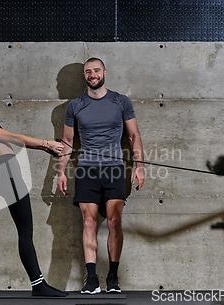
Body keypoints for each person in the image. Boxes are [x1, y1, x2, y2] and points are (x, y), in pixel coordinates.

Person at [0, 78, 67, 297]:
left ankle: (39, 284)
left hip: (9, 173)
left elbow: (8, 142)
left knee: (26, 231)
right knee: (25, 232)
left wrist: (44, 149)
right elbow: (13, 138)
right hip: (7, 174)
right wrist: (46, 143)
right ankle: (38, 285)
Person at [56, 58, 145, 294]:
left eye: (96, 70)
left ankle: (113, 279)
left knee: (115, 221)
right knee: (89, 222)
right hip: (86, 169)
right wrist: (61, 171)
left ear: (104, 72)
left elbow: (134, 135)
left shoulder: (121, 101)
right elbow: (67, 141)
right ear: (84, 76)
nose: (92, 75)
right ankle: (92, 279)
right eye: (88, 72)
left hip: (115, 168)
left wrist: (140, 166)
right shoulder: (75, 106)